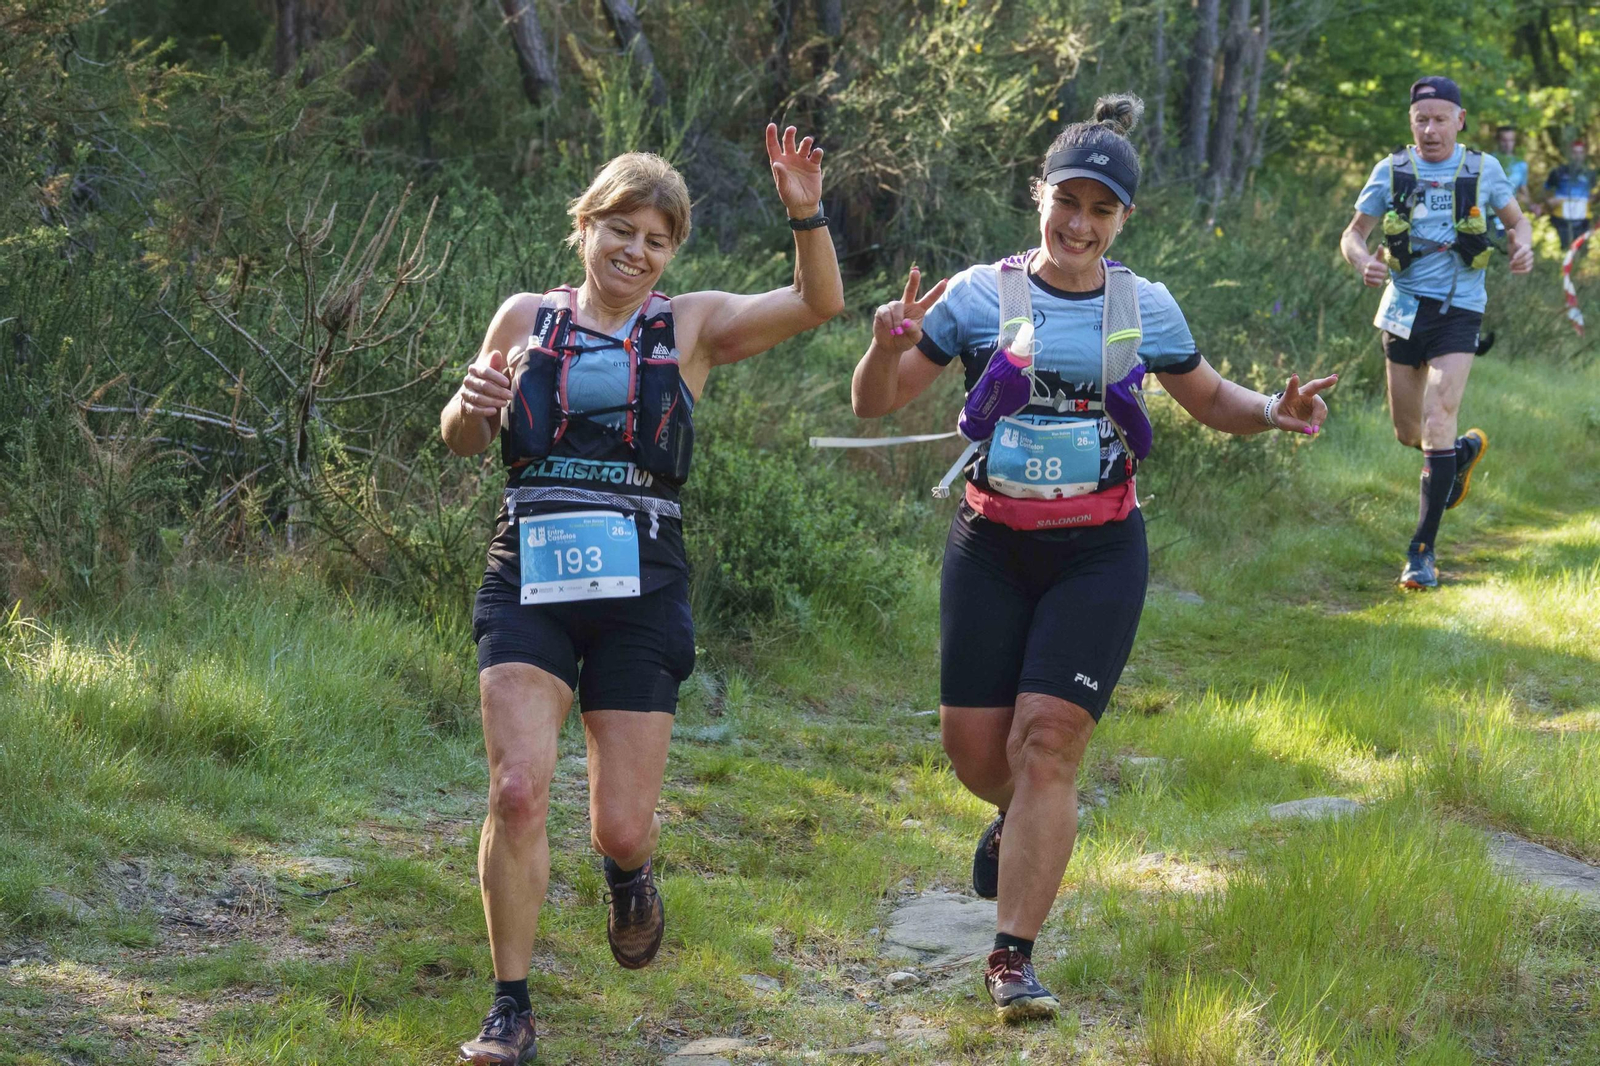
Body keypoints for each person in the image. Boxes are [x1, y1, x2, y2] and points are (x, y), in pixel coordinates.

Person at [849, 93, 1334, 1023]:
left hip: (1100, 550)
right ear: (1038, 196)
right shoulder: (977, 295)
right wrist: (883, 346)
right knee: (975, 752)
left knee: (1049, 744)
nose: (1079, 223)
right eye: (1066, 201)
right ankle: (1022, 814)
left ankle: (1011, 956)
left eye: (1100, 210)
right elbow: (876, 403)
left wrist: (1274, 412)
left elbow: (1210, 397)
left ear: (1122, 221)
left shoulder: (1142, 304)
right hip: (990, 544)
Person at [441, 125, 843, 1064]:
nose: (635, 250)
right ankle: (511, 1008)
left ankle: (629, 873)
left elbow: (817, 301)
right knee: (514, 790)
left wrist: (804, 211)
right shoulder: (523, 318)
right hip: (526, 570)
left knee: (619, 822)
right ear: (585, 227)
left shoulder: (692, 325)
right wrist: (471, 404)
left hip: (642, 578)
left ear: (672, 255)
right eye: (620, 228)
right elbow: (462, 438)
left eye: (657, 239)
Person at [1339, 76, 1532, 589]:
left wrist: (1522, 246)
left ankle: (1421, 553)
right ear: (1411, 123)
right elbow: (1353, 234)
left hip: (1459, 309)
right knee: (1410, 433)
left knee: (1438, 417)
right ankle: (1462, 456)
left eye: (1440, 119)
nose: (1430, 130)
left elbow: (1518, 222)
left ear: (1459, 120)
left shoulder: (1482, 169)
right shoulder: (1392, 170)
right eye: (1421, 120)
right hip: (1402, 310)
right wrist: (1363, 263)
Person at [1545, 138, 1596, 252]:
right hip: (1561, 221)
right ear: (1569, 154)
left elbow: (1591, 197)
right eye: (1574, 153)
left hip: (1582, 221)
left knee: (1581, 254)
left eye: (1580, 153)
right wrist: (1549, 201)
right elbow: (1545, 192)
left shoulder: (1590, 174)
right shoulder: (1558, 172)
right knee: (1563, 252)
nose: (1577, 156)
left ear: (1584, 154)